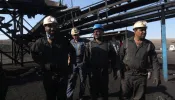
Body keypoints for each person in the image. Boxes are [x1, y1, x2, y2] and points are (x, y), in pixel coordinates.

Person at [31, 16, 76, 100]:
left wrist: (70, 66)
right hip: (48, 76)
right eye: (49, 26)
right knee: (50, 97)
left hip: (62, 75)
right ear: (44, 27)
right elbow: (33, 53)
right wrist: (43, 65)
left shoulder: (63, 41)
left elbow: (73, 52)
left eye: (54, 26)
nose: (52, 28)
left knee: (62, 97)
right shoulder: (39, 42)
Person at [119, 20, 161, 100]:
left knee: (139, 97)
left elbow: (155, 61)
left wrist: (156, 75)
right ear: (134, 31)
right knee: (124, 96)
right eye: (141, 30)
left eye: (145, 30)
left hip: (141, 77)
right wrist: (118, 70)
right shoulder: (126, 42)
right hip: (127, 75)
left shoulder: (149, 45)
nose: (144, 32)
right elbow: (120, 57)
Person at [86, 24, 117, 100]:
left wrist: (114, 70)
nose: (96, 33)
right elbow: (86, 59)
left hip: (104, 72)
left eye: (98, 31)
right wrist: (86, 72)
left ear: (102, 32)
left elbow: (113, 58)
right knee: (93, 93)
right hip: (93, 73)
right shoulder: (89, 45)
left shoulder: (108, 44)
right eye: (94, 32)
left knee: (104, 92)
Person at [67, 27, 89, 100]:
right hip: (73, 64)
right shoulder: (70, 42)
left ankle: (81, 96)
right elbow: (68, 53)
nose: (75, 36)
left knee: (83, 80)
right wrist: (68, 61)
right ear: (72, 35)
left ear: (78, 34)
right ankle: (69, 96)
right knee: (71, 80)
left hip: (81, 63)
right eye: (74, 35)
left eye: (76, 34)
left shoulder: (84, 41)